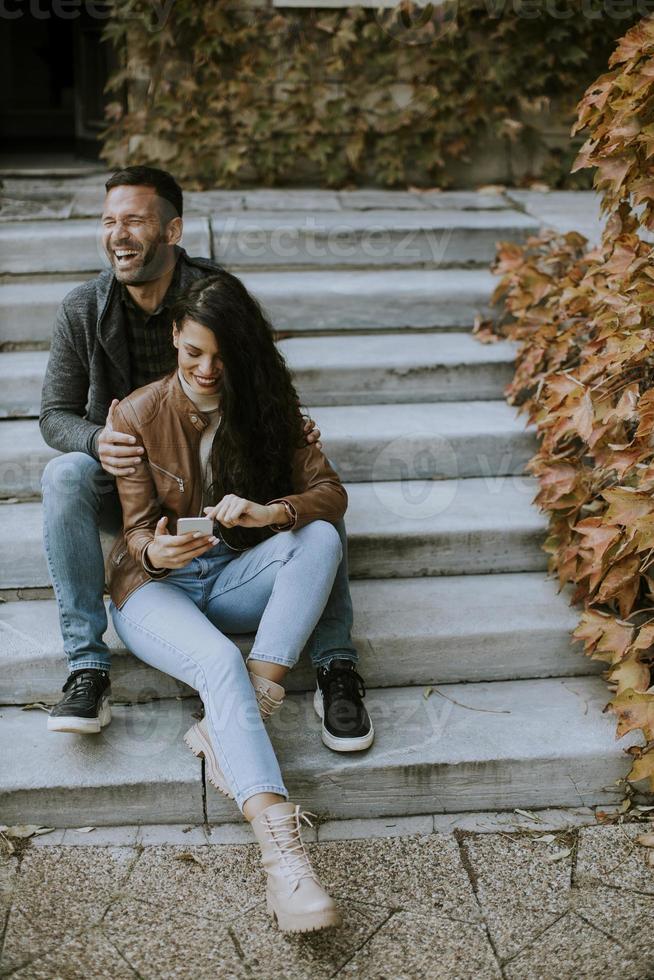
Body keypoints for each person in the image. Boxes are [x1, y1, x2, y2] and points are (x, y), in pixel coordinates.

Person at [40, 165, 373, 751]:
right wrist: (98, 440)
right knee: (65, 474)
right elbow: (53, 415)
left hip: (217, 476)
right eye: (109, 221)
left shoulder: (216, 295)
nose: (118, 235)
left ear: (172, 232)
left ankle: (335, 663)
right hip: (126, 471)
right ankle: (87, 666)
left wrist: (287, 426)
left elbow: (264, 382)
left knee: (315, 500)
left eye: (135, 221)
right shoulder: (82, 308)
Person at [108, 271, 346, 932]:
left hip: (233, 575)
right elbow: (131, 534)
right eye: (193, 353)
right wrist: (153, 552)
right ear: (175, 340)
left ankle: (253, 702)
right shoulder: (137, 413)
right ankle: (285, 862)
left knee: (318, 536)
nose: (208, 369)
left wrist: (271, 511)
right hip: (154, 592)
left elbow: (329, 494)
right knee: (215, 661)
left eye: (222, 355)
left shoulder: (266, 402)